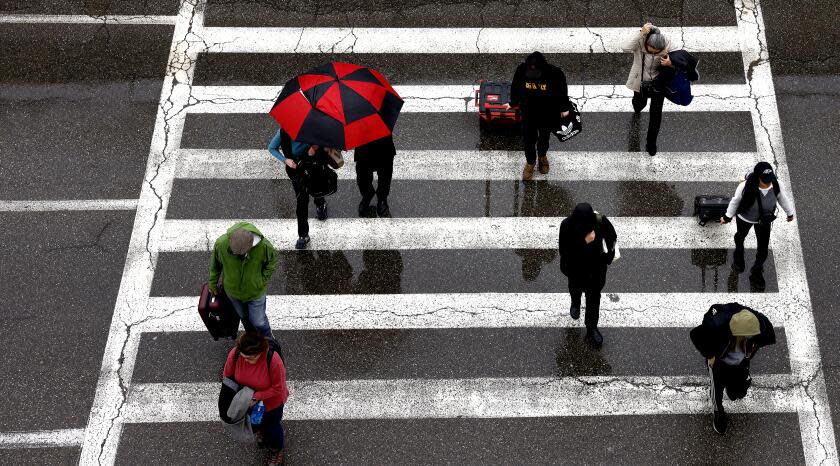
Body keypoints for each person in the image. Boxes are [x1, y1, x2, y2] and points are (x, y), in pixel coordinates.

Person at [690, 303, 776, 435]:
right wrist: (710, 355)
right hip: (719, 364)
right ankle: (718, 412)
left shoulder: (760, 324)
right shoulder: (719, 325)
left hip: (740, 364)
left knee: (738, 393)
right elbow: (695, 334)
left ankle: (734, 387)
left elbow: (766, 337)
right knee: (716, 390)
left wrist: (753, 348)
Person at [720, 161, 795, 290]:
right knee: (739, 237)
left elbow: (783, 199)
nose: (768, 183)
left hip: (764, 221)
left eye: (770, 179)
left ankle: (757, 270)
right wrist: (727, 217)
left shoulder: (777, 184)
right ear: (757, 177)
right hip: (745, 218)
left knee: (763, 247)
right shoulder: (744, 186)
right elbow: (735, 201)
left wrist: (790, 213)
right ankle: (738, 259)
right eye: (765, 180)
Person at [223, 332, 289, 465]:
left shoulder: (273, 360)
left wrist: (255, 397)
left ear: (261, 351)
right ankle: (261, 432)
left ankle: (276, 450)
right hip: (249, 403)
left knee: (272, 428)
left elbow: (278, 388)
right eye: (244, 357)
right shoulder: (235, 354)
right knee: (256, 423)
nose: (247, 360)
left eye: (251, 357)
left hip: (271, 404)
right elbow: (227, 377)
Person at [558, 203, 618, 346]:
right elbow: (564, 252)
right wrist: (584, 242)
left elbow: (612, 239)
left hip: (595, 272)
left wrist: (608, 257)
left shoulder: (600, 222)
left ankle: (591, 328)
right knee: (574, 289)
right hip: (575, 270)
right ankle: (576, 303)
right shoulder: (566, 225)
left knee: (593, 300)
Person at [507, 51, 571, 181]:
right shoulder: (521, 70)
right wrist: (513, 103)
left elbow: (562, 92)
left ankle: (542, 156)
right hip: (528, 113)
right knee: (528, 140)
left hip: (547, 113)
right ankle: (530, 162)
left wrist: (564, 108)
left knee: (544, 138)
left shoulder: (555, 73)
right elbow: (515, 87)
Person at [209, 222, 278, 337]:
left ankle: (269, 340)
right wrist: (212, 282)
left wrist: (261, 280)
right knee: (244, 318)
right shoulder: (221, 244)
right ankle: (252, 338)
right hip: (233, 293)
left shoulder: (264, 247)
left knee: (259, 322)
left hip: (255, 293)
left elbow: (272, 262)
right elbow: (215, 264)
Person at [268, 128, 330, 249]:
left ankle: (320, 204)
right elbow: (271, 148)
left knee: (317, 188)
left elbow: (325, 143)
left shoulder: (312, 127)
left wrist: (315, 148)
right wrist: (285, 160)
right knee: (301, 201)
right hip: (296, 171)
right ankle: (303, 235)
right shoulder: (283, 132)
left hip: (313, 165)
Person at [622, 23, 673, 156]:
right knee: (639, 103)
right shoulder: (640, 41)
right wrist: (640, 33)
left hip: (658, 85)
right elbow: (625, 47)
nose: (653, 53)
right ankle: (638, 107)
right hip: (640, 82)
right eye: (651, 50)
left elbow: (682, 58)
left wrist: (671, 63)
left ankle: (651, 143)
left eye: (657, 52)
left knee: (656, 115)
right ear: (646, 43)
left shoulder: (667, 43)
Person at [354, 135, 396, 218]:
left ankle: (374, 198)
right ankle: (378, 199)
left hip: (368, 142)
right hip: (376, 141)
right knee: (380, 172)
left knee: (367, 172)